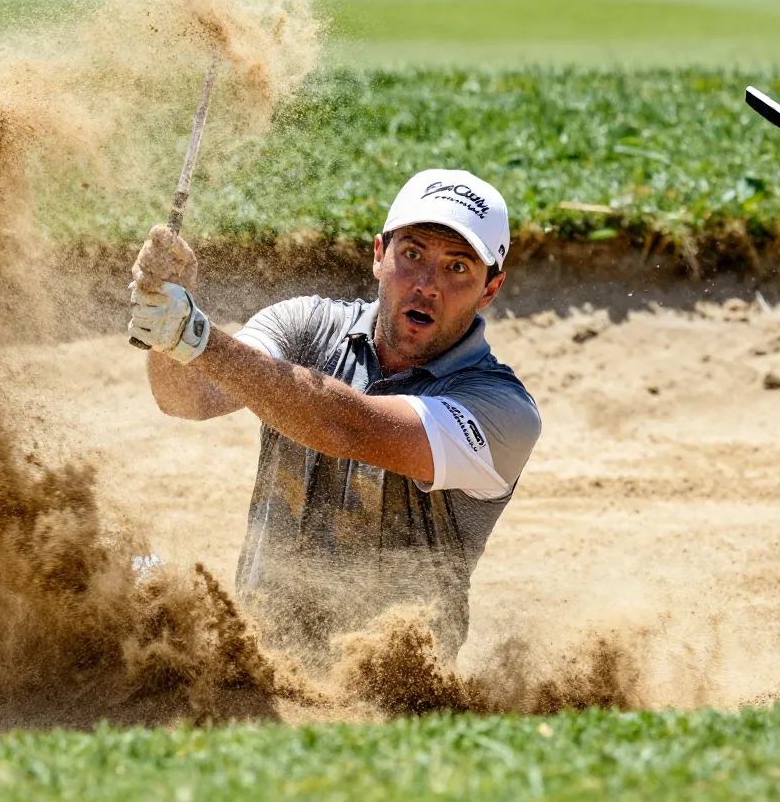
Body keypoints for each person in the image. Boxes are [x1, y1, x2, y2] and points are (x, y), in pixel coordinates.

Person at [127, 169, 541, 663]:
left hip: (395, 694)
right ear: (377, 256)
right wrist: (167, 319)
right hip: (256, 671)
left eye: (457, 268)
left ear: (490, 290)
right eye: (411, 255)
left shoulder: (503, 410)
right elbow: (187, 397)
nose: (428, 285)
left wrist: (196, 338)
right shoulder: (305, 325)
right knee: (127, 557)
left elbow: (350, 426)